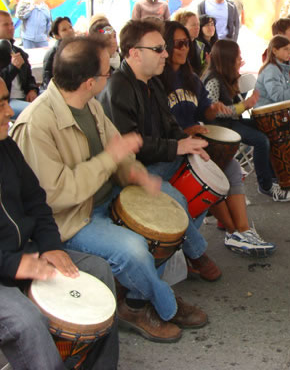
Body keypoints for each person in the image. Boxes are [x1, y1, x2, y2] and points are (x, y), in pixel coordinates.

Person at [10, 36, 209, 343]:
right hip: (73, 218)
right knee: (134, 250)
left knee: (175, 206)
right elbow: (57, 194)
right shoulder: (37, 124)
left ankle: (136, 301)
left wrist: (136, 174)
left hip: (109, 197)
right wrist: (110, 158)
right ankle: (163, 305)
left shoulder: (90, 105)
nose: (111, 74)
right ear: (90, 82)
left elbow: (120, 153)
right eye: (107, 71)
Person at [0, 78, 119, 369]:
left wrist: (50, 246)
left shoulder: (6, 147)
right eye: (0, 104)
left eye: (6, 101)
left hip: (24, 253)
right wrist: (12, 264)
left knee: (98, 271)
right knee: (27, 322)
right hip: (7, 265)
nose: (9, 111)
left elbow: (36, 201)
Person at [98, 19, 223, 283]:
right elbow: (131, 145)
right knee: (176, 199)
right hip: (129, 172)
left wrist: (187, 143)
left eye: (164, 48)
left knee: (208, 185)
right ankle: (195, 254)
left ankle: (179, 251)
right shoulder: (118, 87)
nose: (165, 54)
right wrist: (177, 146)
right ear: (134, 53)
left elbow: (170, 124)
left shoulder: (152, 82)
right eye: (158, 49)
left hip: (157, 160)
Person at [160, 26, 276, 256]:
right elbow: (159, 123)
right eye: (178, 44)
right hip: (174, 146)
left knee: (232, 166)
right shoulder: (157, 81)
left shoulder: (191, 78)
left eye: (187, 43)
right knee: (212, 172)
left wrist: (213, 109)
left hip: (196, 142)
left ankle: (242, 230)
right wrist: (185, 132)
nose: (184, 48)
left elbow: (205, 111)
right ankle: (234, 231)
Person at [203, 38, 290, 202]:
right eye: (238, 57)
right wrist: (244, 105)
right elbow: (214, 113)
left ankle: (275, 178)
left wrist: (245, 104)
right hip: (220, 128)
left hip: (231, 122)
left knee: (270, 129)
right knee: (261, 141)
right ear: (227, 59)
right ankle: (266, 186)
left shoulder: (226, 75)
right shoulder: (213, 80)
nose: (241, 59)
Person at [0, 10, 38, 118]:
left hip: (25, 96)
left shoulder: (18, 51)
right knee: (36, 111)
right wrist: (13, 68)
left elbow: (30, 78)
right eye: (6, 25)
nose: (11, 28)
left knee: (55, 99)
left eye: (12, 24)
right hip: (7, 101)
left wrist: (32, 89)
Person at [41, 16, 74, 88]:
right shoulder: (52, 54)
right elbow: (47, 80)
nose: (70, 31)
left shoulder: (79, 50)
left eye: (70, 27)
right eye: (64, 30)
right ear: (57, 36)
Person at [173, 10, 205, 75]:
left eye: (198, 24)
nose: (197, 28)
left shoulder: (200, 45)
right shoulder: (178, 46)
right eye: (193, 25)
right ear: (183, 27)